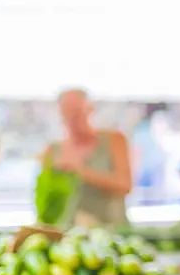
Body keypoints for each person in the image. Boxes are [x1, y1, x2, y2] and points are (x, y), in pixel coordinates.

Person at [42, 89, 132, 228]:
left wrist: (79, 170)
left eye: (78, 113)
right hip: (70, 235)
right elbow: (46, 203)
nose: (73, 120)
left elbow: (125, 185)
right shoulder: (52, 151)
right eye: (68, 114)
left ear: (90, 109)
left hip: (113, 230)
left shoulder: (114, 140)